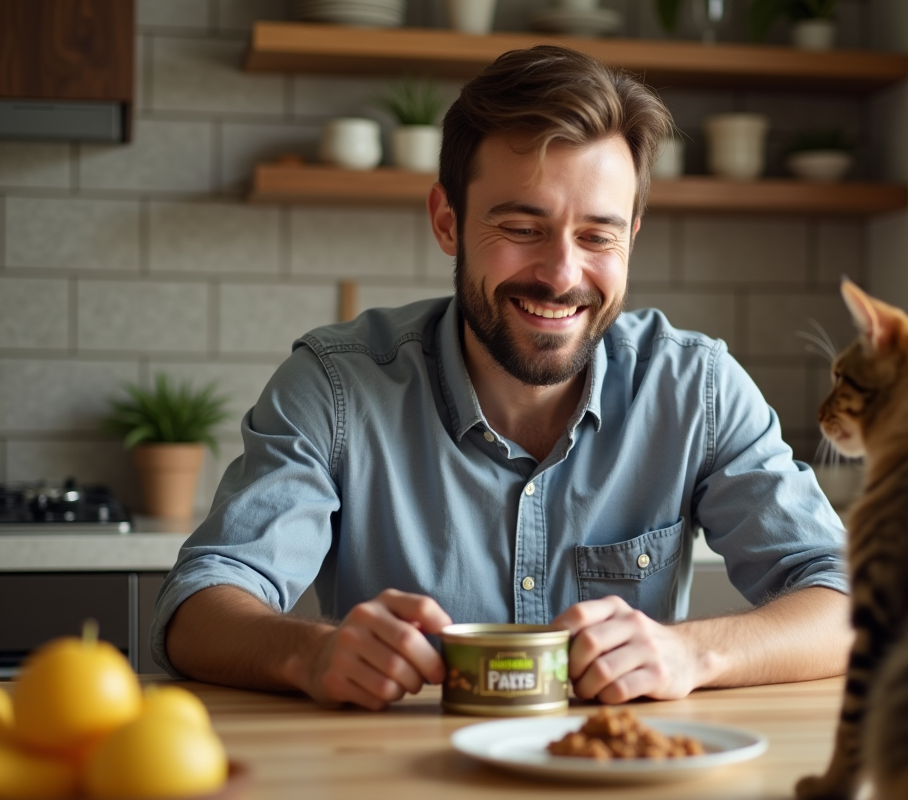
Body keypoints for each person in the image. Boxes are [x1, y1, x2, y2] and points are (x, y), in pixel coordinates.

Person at [151, 45, 852, 710]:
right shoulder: (336, 388)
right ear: (447, 223)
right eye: (523, 227)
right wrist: (309, 655)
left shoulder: (695, 388)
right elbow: (200, 606)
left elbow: (849, 601)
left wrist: (691, 655)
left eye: (597, 236)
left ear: (631, 237)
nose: (562, 274)